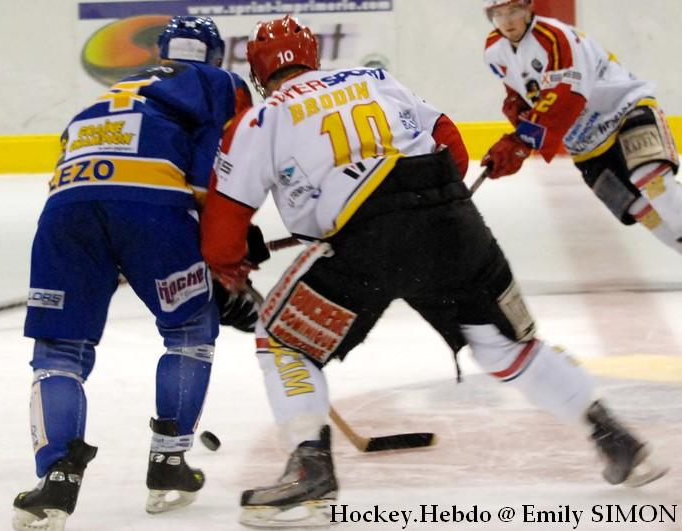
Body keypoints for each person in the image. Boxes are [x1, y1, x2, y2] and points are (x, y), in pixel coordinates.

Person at [200, 15, 668, 528]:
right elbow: (452, 145)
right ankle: (615, 438)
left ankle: (310, 469)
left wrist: (231, 262)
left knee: (282, 340)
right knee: (509, 346)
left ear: (258, 72)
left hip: (367, 244)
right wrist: (421, 209)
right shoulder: (374, 80)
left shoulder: (260, 120)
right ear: (313, 57)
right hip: (453, 220)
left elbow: (222, 235)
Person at [11, 15, 255, 531]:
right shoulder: (219, 84)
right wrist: (225, 254)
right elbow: (213, 179)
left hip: (66, 213)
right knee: (190, 331)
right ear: (215, 58)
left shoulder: (109, 97)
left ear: (161, 53)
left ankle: (56, 480)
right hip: (154, 210)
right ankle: (168, 464)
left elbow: (87, 182)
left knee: (59, 352)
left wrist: (109, 251)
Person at [481, 0, 682, 254]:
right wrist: (517, 110)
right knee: (640, 209)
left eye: (514, 11)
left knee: (654, 184)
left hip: (624, 109)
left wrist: (522, 140)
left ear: (529, 8)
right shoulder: (494, 50)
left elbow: (566, 97)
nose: (508, 21)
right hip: (583, 142)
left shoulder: (555, 37)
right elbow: (521, 90)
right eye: (499, 14)